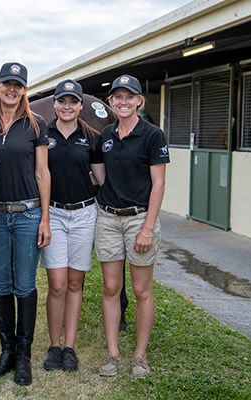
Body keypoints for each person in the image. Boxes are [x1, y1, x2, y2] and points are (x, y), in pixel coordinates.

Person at [95, 74, 169, 379]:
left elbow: (159, 183)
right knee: (111, 288)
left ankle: (139, 356)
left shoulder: (153, 135)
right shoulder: (106, 135)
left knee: (141, 289)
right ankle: (113, 354)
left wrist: (147, 227)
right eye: (117, 97)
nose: (123, 102)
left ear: (139, 100)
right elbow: (100, 175)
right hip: (109, 219)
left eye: (129, 97)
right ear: (111, 102)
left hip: (140, 219)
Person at [0, 62, 51, 386]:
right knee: (1, 285)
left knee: (25, 285)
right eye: (7, 83)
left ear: (25, 89)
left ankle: (24, 356)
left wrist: (46, 219)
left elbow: (42, 173)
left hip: (27, 215)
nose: (12, 89)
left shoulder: (36, 125)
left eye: (18, 85)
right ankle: (6, 352)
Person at [40, 80, 105, 372]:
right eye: (62, 101)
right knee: (57, 284)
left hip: (83, 215)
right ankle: (54, 346)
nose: (67, 107)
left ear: (81, 105)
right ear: (54, 103)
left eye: (73, 102)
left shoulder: (90, 137)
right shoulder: (43, 134)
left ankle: (69, 347)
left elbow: (100, 178)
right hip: (53, 213)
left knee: (75, 283)